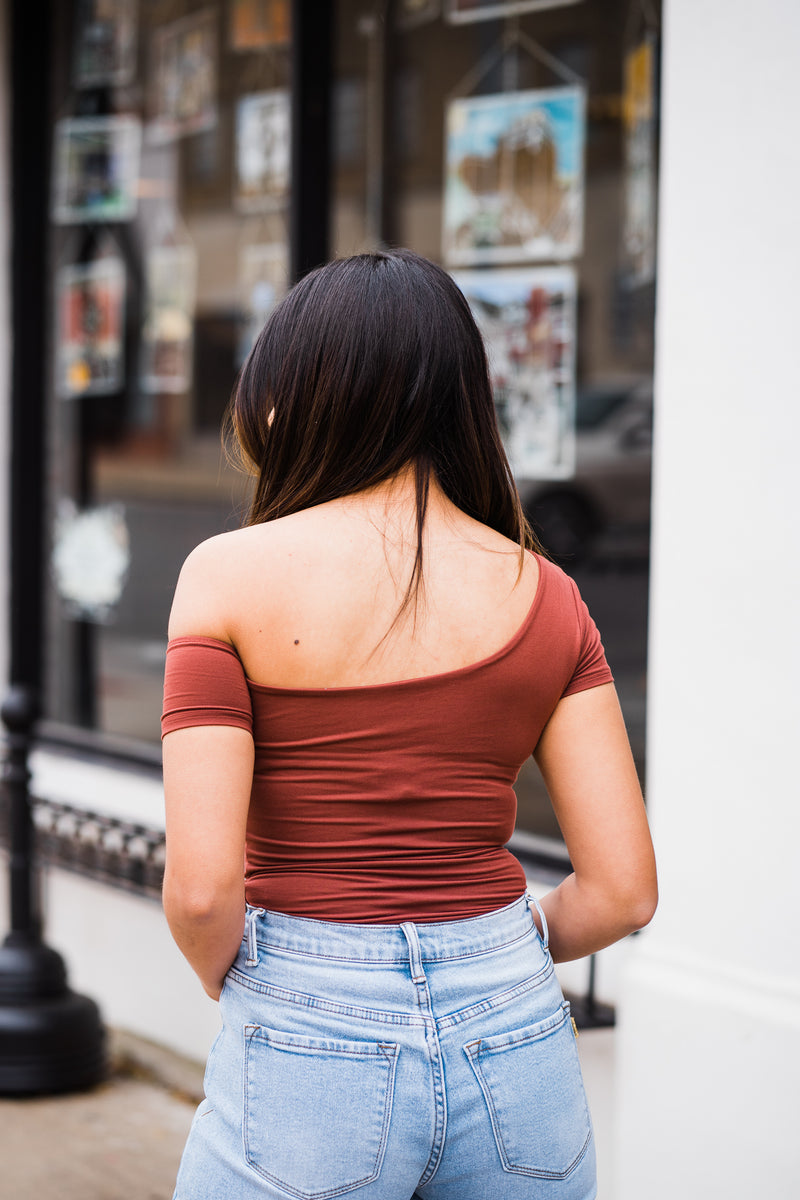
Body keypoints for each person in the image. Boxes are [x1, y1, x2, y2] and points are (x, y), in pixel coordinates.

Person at [161, 249, 657, 1200]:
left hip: (309, 1017)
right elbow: (625, 892)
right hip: (518, 1035)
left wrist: (282, 983)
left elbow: (200, 892)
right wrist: (488, 959)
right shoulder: (546, 593)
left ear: (302, 398)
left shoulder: (226, 575)